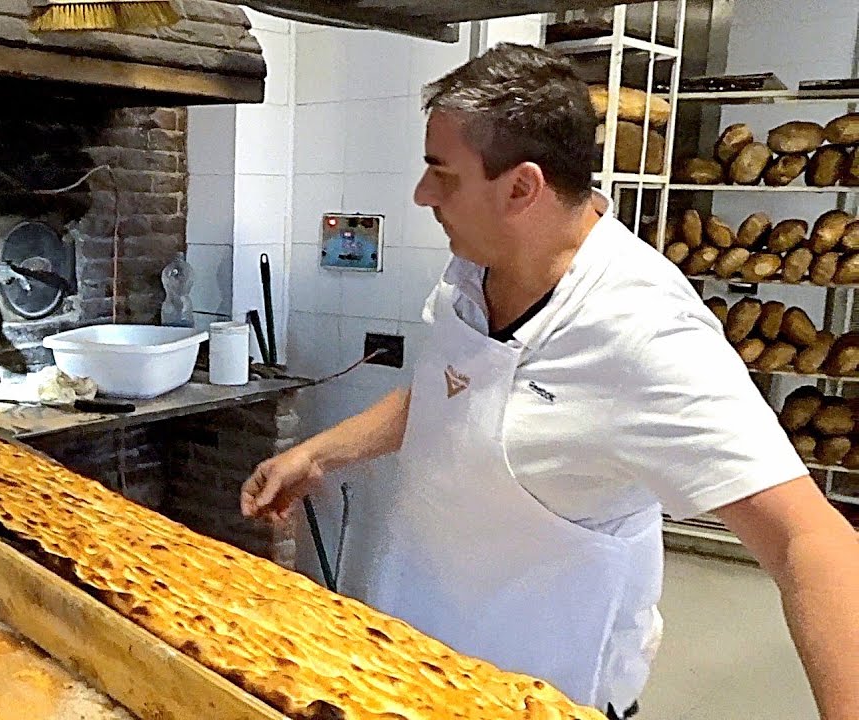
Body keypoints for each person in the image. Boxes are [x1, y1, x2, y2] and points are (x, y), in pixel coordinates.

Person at [240, 43, 858, 720]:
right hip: (409, 658)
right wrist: (316, 453)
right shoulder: (473, 270)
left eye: (441, 175)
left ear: (521, 188)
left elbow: (814, 543)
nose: (422, 195)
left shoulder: (645, 331)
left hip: (540, 694)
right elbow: (456, 392)